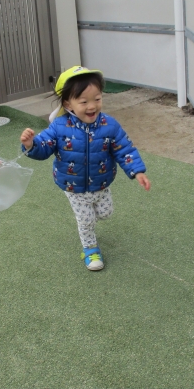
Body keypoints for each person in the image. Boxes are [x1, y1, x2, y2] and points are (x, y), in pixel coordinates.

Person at [20, 66, 151, 271]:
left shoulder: (110, 125)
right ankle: (90, 249)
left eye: (97, 99)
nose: (92, 106)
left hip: (101, 181)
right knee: (86, 220)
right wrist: (31, 145)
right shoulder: (59, 127)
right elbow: (43, 147)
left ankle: (89, 220)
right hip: (73, 184)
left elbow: (124, 148)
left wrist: (137, 171)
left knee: (106, 213)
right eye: (83, 102)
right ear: (68, 104)